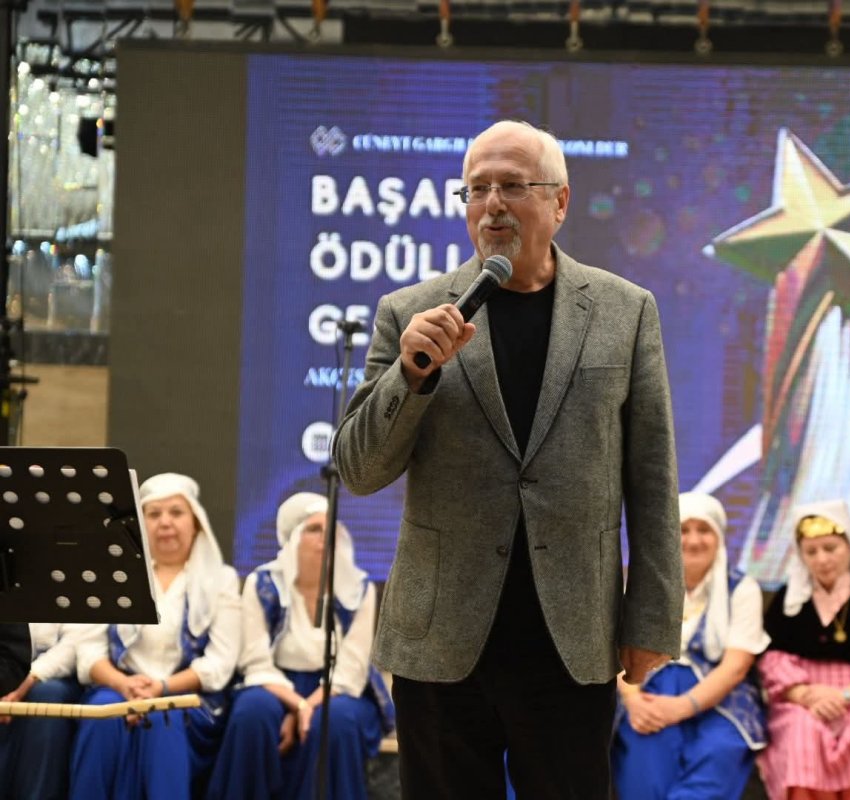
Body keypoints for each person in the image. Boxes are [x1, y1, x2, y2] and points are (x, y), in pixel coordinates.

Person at [333, 119, 682, 799]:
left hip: (570, 635)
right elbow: (360, 468)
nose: (491, 203)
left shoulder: (625, 310)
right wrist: (412, 375)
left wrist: (651, 620)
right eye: (477, 188)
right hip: (442, 637)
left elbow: (652, 476)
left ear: (560, 202)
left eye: (513, 186)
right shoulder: (410, 312)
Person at [207, 492, 393, 800]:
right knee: (252, 714)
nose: (325, 538)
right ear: (292, 537)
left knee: (336, 721)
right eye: (314, 530)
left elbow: (351, 669)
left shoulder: (359, 589)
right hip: (274, 685)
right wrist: (298, 704)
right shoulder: (262, 583)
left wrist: (308, 706)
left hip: (336, 689)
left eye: (331, 529)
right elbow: (255, 660)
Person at [70, 473, 241, 799]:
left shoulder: (222, 580)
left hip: (187, 700)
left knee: (164, 719)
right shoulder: (113, 576)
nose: (165, 523)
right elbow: (88, 650)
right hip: (119, 689)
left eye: (176, 513)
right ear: (140, 524)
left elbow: (219, 663)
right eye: (154, 514)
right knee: (104, 715)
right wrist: (125, 686)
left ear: (196, 523)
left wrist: (161, 690)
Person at [612, 492, 769, 799]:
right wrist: (632, 700)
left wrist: (682, 707)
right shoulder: (641, 584)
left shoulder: (743, 588)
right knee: (645, 753)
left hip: (721, 698)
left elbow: (736, 667)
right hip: (646, 692)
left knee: (718, 751)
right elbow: (617, 652)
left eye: (704, 530)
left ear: (719, 537)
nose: (694, 541)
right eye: (683, 529)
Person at [756, 499, 850, 800]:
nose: (822, 559)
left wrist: (845, 695)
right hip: (802, 697)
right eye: (811, 552)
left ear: (849, 547)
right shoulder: (790, 599)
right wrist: (806, 695)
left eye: (830, 548)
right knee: (801, 732)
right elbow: (773, 657)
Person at [0, 623, 86, 799]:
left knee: (46, 695)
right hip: (8, 663)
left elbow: (75, 642)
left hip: (56, 675)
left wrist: (28, 680)